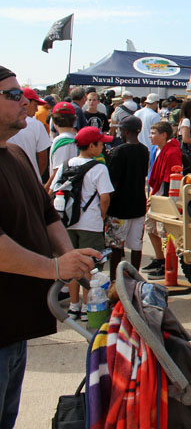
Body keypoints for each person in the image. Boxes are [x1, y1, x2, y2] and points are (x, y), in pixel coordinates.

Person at [0, 66, 99, 428]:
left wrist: (69, 255)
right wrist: (55, 269)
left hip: (16, 327)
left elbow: (47, 216)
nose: (25, 103)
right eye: (13, 95)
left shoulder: (16, 155)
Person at [51, 126, 115, 320]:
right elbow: (105, 197)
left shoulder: (66, 165)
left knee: (71, 266)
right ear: (92, 146)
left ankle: (74, 306)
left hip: (67, 223)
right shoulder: (99, 168)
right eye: (100, 143)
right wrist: (101, 216)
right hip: (91, 224)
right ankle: (88, 307)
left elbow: (53, 190)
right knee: (90, 267)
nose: (103, 147)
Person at [105, 116, 149, 277]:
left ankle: (115, 281)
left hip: (119, 208)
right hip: (138, 205)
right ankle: (134, 279)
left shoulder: (119, 151)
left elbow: (113, 183)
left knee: (116, 246)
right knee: (136, 245)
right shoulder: (144, 150)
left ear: (125, 131)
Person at [144, 121, 183, 278]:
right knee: (150, 227)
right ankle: (159, 258)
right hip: (156, 195)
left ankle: (167, 262)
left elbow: (172, 179)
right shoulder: (156, 150)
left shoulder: (172, 152)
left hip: (165, 198)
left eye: (153, 133)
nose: (150, 136)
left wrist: (165, 201)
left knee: (164, 233)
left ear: (163, 135)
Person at [7, 87, 51, 180]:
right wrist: (34, 178)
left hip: (8, 180)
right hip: (30, 180)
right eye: (35, 105)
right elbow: (43, 160)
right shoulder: (37, 125)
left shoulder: (4, 122)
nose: (37, 109)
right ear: (25, 102)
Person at [45, 102, 79, 192]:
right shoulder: (76, 138)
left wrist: (47, 191)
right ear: (74, 120)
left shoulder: (61, 141)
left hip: (62, 191)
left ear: (53, 121)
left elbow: (58, 171)